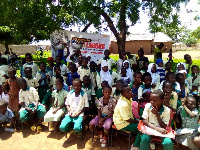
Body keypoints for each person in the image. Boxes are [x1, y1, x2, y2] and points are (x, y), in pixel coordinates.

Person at [113, 84, 140, 150]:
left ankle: (137, 140)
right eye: (128, 92)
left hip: (126, 119)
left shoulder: (127, 98)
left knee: (142, 123)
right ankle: (135, 146)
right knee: (141, 128)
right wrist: (138, 121)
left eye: (130, 90)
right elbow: (128, 119)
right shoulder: (123, 104)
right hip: (122, 123)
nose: (131, 92)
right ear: (123, 94)